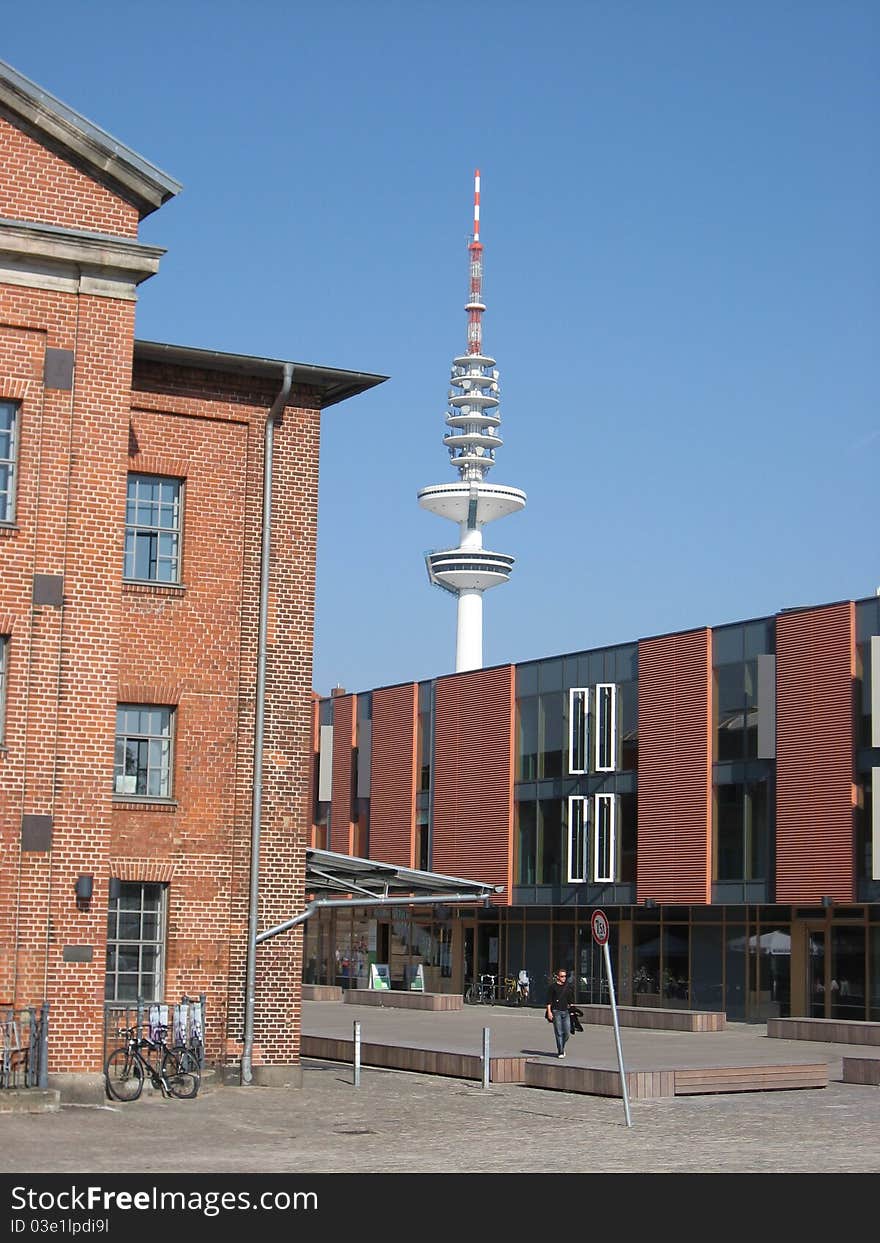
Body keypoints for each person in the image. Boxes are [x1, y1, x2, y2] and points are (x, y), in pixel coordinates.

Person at [545, 967, 575, 1058]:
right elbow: (549, 1000)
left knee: (567, 1033)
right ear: (558, 977)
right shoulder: (552, 987)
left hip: (566, 1012)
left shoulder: (568, 987)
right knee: (558, 1032)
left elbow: (571, 1001)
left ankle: (562, 1045)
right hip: (556, 1011)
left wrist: (573, 1012)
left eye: (565, 976)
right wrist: (549, 1012)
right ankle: (560, 1051)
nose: (564, 978)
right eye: (562, 976)